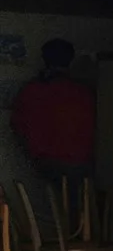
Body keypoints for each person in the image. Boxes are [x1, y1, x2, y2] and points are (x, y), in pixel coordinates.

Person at [10, 38, 96, 193]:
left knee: (57, 207)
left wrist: (34, 153)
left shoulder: (32, 91)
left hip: (48, 161)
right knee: (84, 207)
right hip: (82, 161)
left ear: (44, 59)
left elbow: (18, 126)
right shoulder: (84, 92)